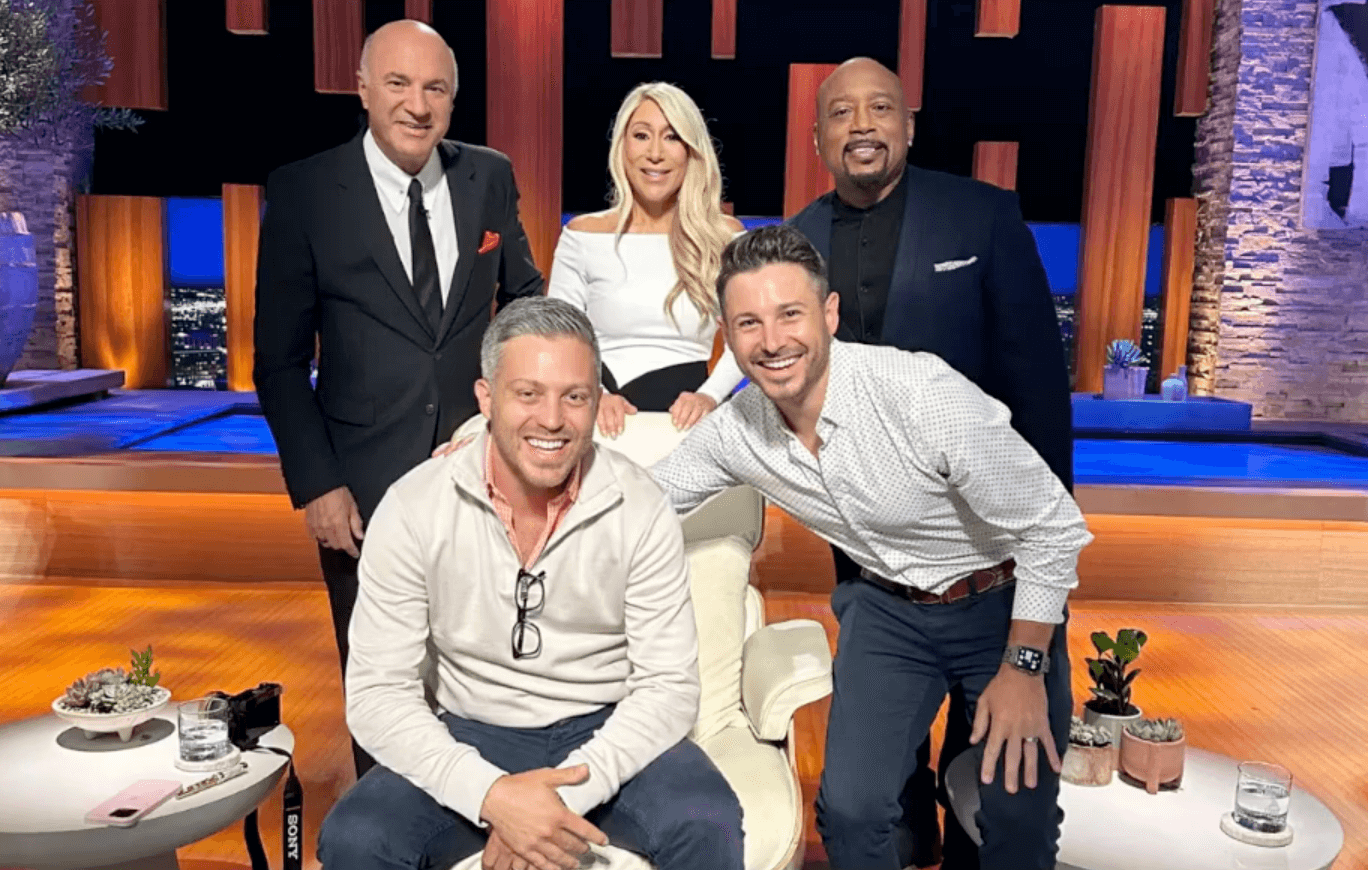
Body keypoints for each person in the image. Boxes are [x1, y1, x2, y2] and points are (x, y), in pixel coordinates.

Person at [651, 226, 1092, 870]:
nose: (772, 342)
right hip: (886, 613)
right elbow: (640, 497)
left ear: (829, 314)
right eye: (748, 322)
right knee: (852, 816)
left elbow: (1053, 525)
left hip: (1000, 605)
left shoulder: (920, 394)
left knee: (1018, 822)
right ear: (728, 333)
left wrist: (1025, 666)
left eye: (790, 314)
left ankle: (975, 791)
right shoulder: (736, 432)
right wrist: (506, 455)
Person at [317, 296, 744, 870]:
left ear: (597, 404)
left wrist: (549, 806)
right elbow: (375, 695)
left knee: (707, 821)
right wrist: (491, 796)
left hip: (607, 726)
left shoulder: (642, 505)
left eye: (574, 396)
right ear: (486, 399)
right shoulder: (414, 505)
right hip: (470, 731)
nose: (551, 419)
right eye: (528, 394)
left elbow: (669, 688)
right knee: (355, 838)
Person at [787, 57, 1074, 869]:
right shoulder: (798, 240)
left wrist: (1041, 568)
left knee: (1007, 798)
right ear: (819, 138)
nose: (863, 125)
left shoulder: (980, 217)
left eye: (882, 108)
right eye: (843, 113)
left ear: (909, 125)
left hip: (998, 566)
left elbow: (1039, 392)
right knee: (872, 793)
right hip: (876, 570)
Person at [252, 19, 543, 777]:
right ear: (362, 89)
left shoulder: (489, 175)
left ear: (453, 98)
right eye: (398, 84)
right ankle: (390, 840)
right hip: (362, 490)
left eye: (435, 87)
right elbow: (280, 364)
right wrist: (318, 484)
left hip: (484, 476)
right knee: (381, 680)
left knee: (485, 673)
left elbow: (525, 299)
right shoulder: (305, 190)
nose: (418, 104)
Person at [549, 82, 747, 437]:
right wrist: (592, 394)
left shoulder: (725, 238)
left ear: (691, 151)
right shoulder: (582, 236)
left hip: (683, 421)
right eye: (641, 135)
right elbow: (559, 336)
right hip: (595, 417)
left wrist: (710, 396)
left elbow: (749, 336)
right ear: (622, 147)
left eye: (672, 138)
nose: (655, 153)